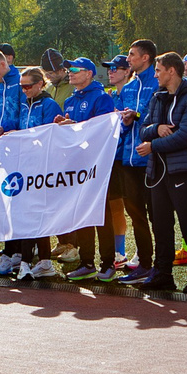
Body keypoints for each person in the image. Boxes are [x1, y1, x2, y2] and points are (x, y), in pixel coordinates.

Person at [129, 53, 187, 294]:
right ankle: (163, 273)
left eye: (158, 70)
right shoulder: (157, 98)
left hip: (183, 170)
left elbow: (186, 135)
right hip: (158, 172)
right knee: (161, 226)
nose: (155, 75)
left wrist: (154, 145)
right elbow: (143, 129)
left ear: (171, 71)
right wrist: (157, 129)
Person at [0, 64, 64, 279]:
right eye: (22, 87)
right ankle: (39, 261)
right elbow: (18, 125)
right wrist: (5, 129)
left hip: (42, 168)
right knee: (28, 212)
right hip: (25, 167)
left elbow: (51, 135)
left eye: (28, 86)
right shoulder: (24, 103)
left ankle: (30, 262)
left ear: (40, 84)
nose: (25, 90)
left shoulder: (49, 105)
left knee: (36, 213)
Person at [58, 57, 124, 279]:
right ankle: (87, 263)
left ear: (89, 73)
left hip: (98, 167)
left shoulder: (102, 97)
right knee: (81, 214)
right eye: (69, 69)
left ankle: (108, 264)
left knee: (102, 215)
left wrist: (74, 128)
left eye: (75, 69)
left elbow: (103, 131)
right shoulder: (70, 100)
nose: (70, 72)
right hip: (78, 168)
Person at [111, 39, 161, 274]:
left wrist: (137, 115)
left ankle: (160, 263)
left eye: (132, 55)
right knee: (136, 214)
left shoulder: (158, 83)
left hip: (151, 160)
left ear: (146, 58)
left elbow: (159, 116)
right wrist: (123, 119)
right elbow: (119, 122)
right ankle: (144, 262)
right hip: (128, 160)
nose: (128, 59)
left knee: (157, 215)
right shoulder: (129, 88)